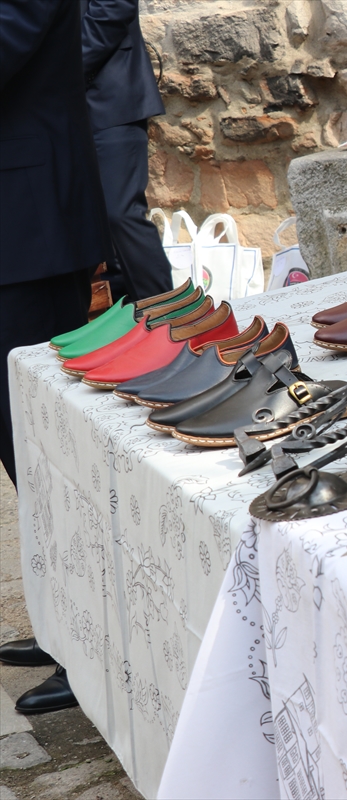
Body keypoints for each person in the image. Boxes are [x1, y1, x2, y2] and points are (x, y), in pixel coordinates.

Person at [0, 0, 110, 714]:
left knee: (54, 451)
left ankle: (102, 647)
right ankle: (67, 622)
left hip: (27, 223)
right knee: (21, 450)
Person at [83, 0, 173, 303]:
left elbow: (114, 6)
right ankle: (119, 327)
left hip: (111, 94)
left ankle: (170, 321)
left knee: (120, 215)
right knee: (84, 225)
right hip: (55, 109)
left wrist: (62, 69)